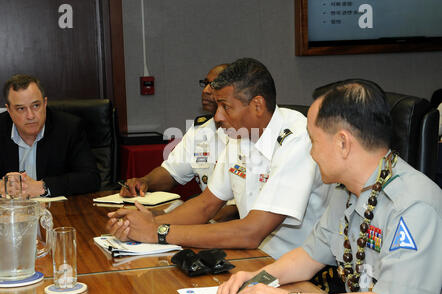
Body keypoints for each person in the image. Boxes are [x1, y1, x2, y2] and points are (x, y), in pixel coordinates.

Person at [217, 79, 442, 294]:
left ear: (343, 143)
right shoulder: (345, 190)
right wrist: (255, 279)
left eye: (313, 141)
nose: (311, 153)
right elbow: (309, 256)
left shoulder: (415, 206)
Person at [107, 57, 331, 259]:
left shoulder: (298, 140)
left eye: (226, 107)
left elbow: (251, 232)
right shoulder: (241, 135)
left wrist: (159, 232)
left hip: (300, 271)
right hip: (254, 258)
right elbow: (206, 205)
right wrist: (142, 223)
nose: (217, 117)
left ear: (257, 106)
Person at [119, 63, 238, 221]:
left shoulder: (248, 133)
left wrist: (171, 221)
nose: (206, 90)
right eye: (205, 83)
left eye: (214, 85)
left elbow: (238, 207)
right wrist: (144, 181)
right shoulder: (200, 131)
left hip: (234, 223)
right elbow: (171, 173)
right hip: (204, 215)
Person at [0, 74, 100, 197]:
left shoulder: (69, 128)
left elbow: (91, 178)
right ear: (9, 110)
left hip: (56, 212)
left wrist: (42, 187)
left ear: (45, 103)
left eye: (36, 106)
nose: (30, 115)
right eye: (21, 109)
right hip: (9, 213)